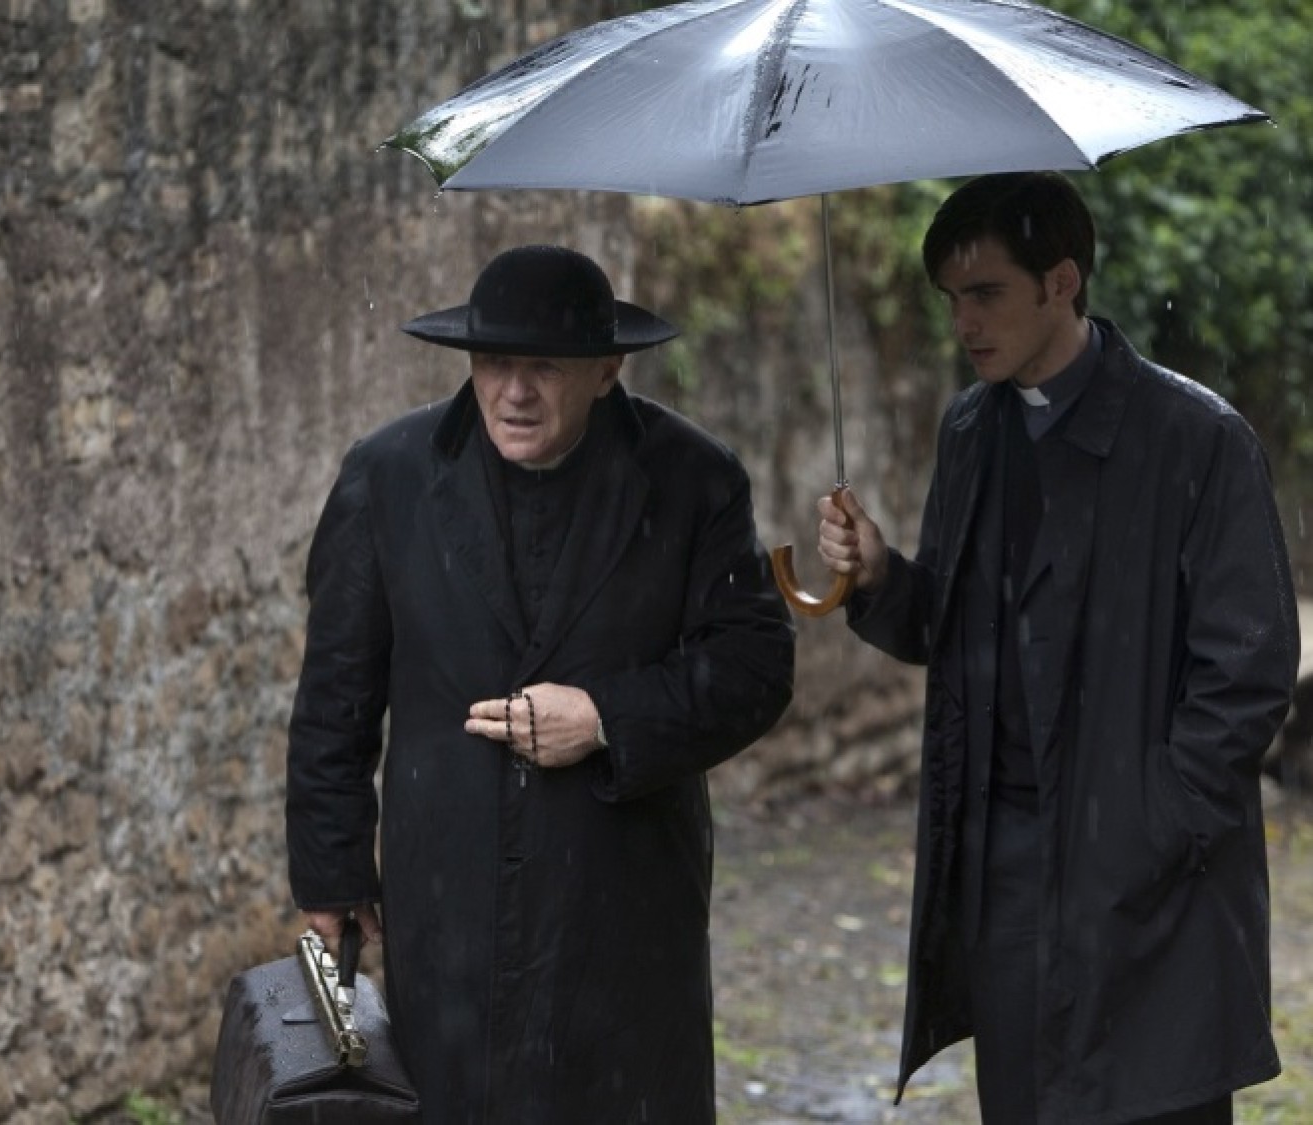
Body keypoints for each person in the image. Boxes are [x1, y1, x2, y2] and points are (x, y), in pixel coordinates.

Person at [816, 172, 1299, 1124]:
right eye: (951, 298)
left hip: (1155, 877)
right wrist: (880, 576)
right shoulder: (969, 430)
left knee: (1153, 1105)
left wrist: (1154, 821)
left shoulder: (1196, 438)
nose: (964, 322)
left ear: (1062, 281)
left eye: (986, 292)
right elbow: (952, 630)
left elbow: (1249, 669)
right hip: (1006, 871)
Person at [286, 244, 795, 1124]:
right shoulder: (389, 474)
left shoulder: (693, 478)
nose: (513, 392)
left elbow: (756, 666)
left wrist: (604, 717)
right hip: (449, 899)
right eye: (494, 363)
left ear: (607, 370)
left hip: (624, 902)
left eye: (544, 368)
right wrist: (330, 874)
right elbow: (336, 693)